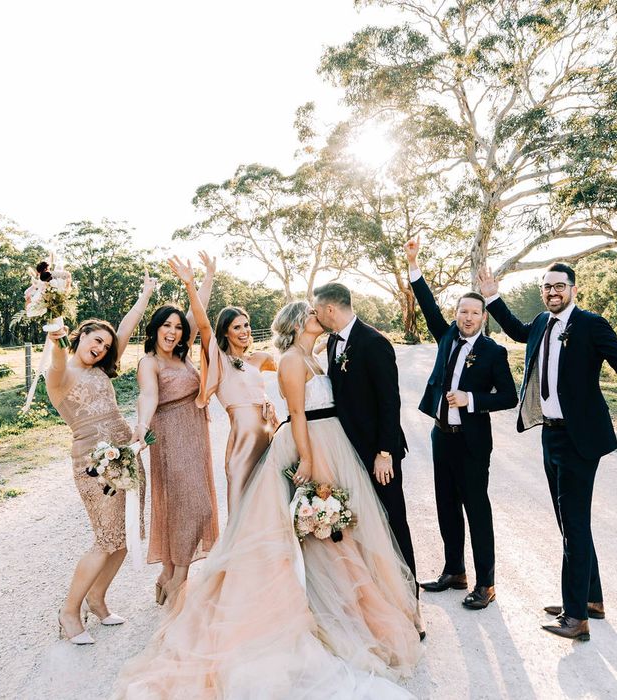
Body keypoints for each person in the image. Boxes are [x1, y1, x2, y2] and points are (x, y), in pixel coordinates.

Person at [112, 297, 422, 699]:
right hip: (294, 446)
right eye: (311, 314)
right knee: (279, 526)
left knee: (330, 531)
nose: (318, 316)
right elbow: (295, 410)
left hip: (323, 442)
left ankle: (342, 605)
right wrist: (307, 458)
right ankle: (194, 582)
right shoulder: (288, 360)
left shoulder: (313, 354)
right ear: (296, 323)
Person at [478, 262, 617, 640]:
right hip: (551, 435)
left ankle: (576, 617)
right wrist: (492, 295)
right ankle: (590, 599)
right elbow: (515, 330)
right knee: (569, 522)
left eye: (559, 286)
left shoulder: (591, 324)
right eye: (547, 287)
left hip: (580, 440)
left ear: (574, 289)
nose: (552, 292)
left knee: (573, 526)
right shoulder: (542, 323)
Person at [405, 236, 518, 610]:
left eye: (474, 313)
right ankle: (455, 571)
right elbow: (426, 306)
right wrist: (414, 265)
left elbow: (509, 397)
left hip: (472, 441)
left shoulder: (492, 352)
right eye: (462, 312)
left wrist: (472, 400)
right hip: (442, 437)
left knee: (476, 509)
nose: (467, 318)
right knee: (445, 505)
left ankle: (486, 583)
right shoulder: (448, 338)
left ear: (483, 317)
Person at [45, 271, 156, 644]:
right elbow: (59, 359)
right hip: (92, 465)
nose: (102, 348)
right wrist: (56, 331)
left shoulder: (100, 367)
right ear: (81, 337)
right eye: (96, 340)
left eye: (107, 346)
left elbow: (126, 326)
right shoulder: (59, 375)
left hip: (125, 455)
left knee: (124, 538)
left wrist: (144, 295)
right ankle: (68, 612)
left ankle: (97, 598)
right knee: (106, 538)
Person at [312, 283, 419, 598]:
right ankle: (379, 593)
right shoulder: (332, 342)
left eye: (317, 309)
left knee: (392, 519)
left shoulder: (374, 342)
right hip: (347, 451)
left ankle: (410, 595)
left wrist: (384, 452)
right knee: (364, 523)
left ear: (330, 309)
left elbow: (390, 402)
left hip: (377, 452)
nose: (315, 314)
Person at [133, 253, 218, 607]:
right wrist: (140, 427)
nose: (173, 332)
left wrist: (202, 277)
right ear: (154, 330)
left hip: (195, 433)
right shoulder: (149, 362)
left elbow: (199, 312)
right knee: (193, 507)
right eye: (166, 326)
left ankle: (167, 575)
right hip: (168, 436)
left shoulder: (182, 357)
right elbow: (148, 397)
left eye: (177, 327)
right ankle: (179, 578)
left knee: (189, 506)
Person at [169, 255, 278, 513]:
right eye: (236, 326)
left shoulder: (260, 359)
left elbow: (292, 371)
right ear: (226, 332)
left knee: (271, 505)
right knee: (242, 506)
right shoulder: (221, 360)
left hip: (270, 436)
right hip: (243, 442)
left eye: (246, 325)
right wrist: (191, 284)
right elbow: (203, 324)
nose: (244, 331)